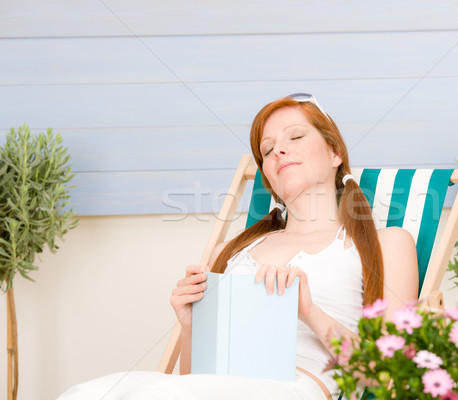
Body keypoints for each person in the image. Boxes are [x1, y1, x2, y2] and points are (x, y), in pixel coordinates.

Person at [58, 93, 418, 400]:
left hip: (293, 387)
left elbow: (392, 377)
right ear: (268, 176)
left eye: (295, 137)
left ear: (335, 151)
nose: (279, 150)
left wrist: (309, 311)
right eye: (268, 149)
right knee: (90, 393)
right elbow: (193, 380)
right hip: (214, 386)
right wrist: (190, 326)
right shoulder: (231, 250)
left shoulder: (386, 245)